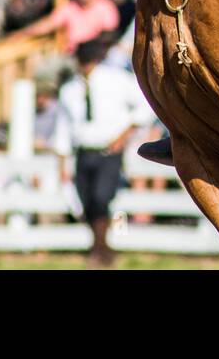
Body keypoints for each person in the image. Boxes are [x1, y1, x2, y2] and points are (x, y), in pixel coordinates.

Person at [52, 37, 152, 267]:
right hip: (83, 151)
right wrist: (62, 163)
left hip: (108, 150)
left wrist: (124, 135)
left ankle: (99, 248)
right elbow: (64, 128)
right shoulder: (70, 89)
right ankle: (101, 247)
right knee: (86, 201)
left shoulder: (116, 80)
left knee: (101, 197)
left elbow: (144, 107)